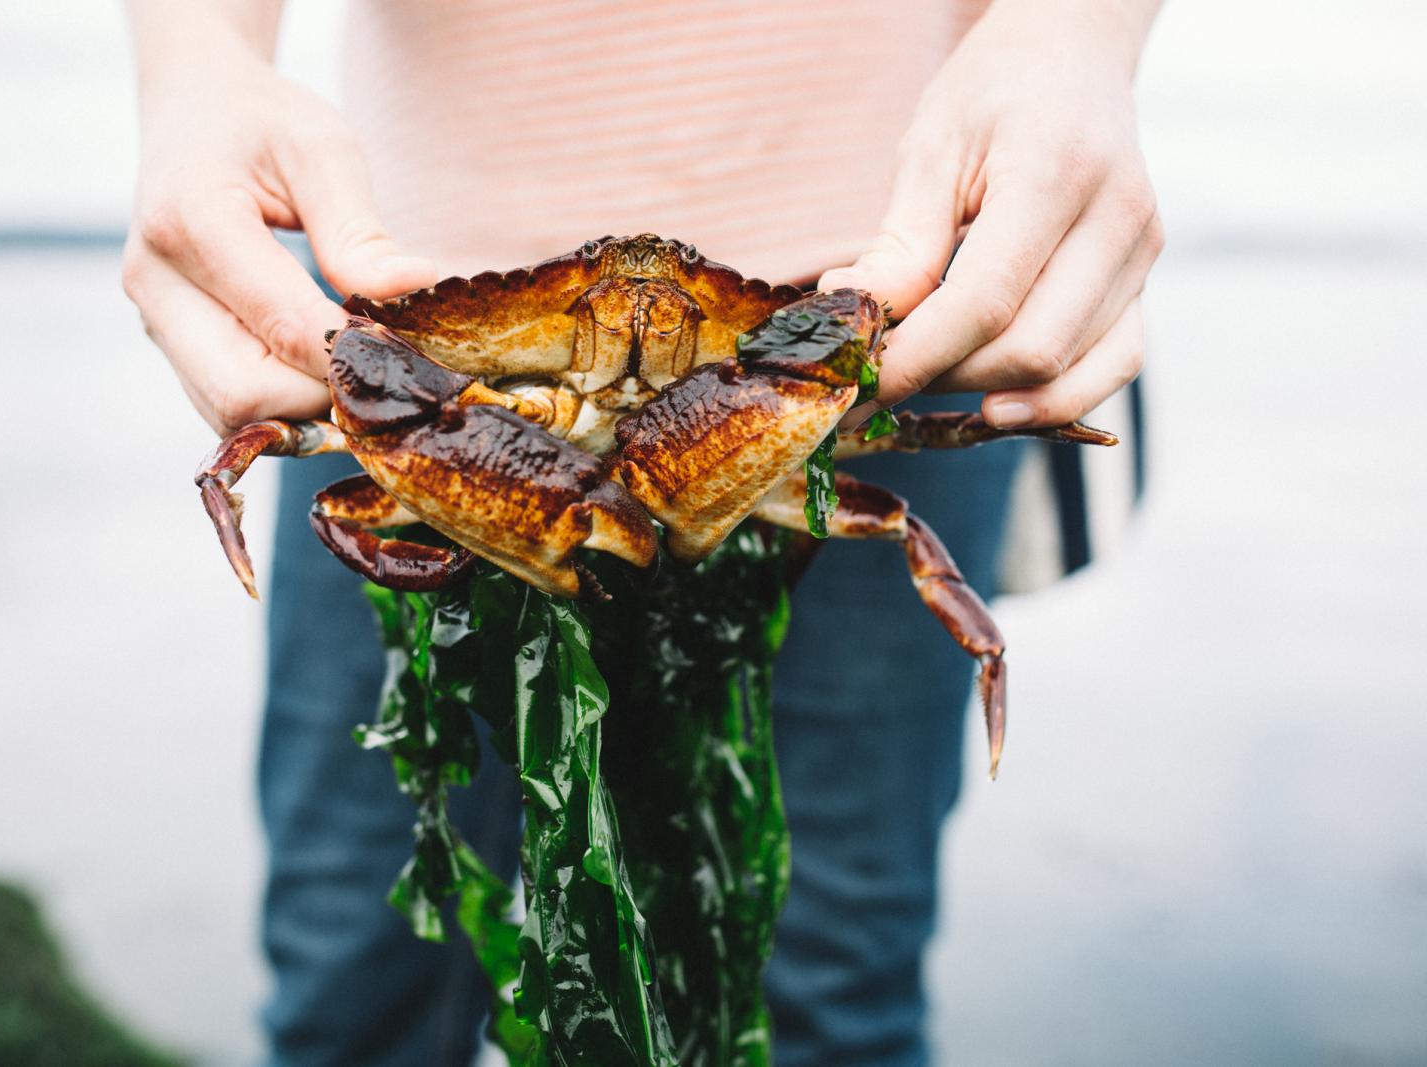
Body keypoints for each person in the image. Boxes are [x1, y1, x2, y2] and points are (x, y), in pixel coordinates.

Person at [121, 2, 1164, 1063]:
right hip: (415, 338)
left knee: (832, 990)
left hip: (888, 316)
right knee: (355, 969)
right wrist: (195, 67)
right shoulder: (379, 370)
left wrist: (1073, 34)